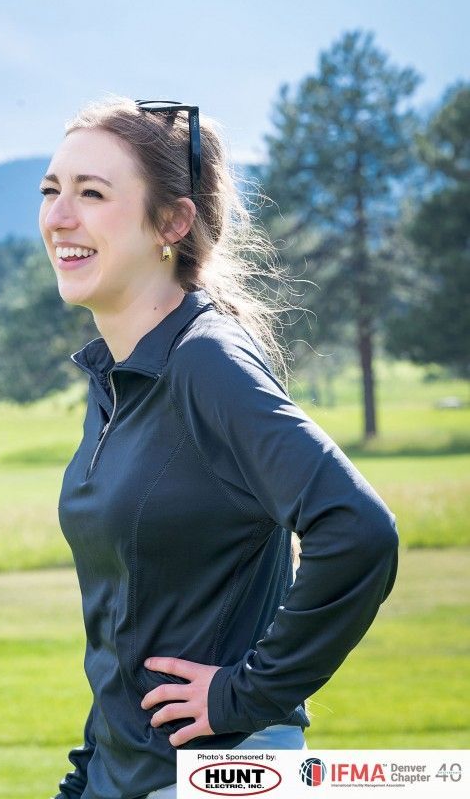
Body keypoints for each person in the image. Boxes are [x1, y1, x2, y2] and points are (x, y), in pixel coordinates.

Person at [40, 95, 399, 799]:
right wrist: (87, 776)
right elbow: (130, 625)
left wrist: (245, 695)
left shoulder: (207, 361)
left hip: (222, 776)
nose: (58, 217)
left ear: (171, 222)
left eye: (92, 193)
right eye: (51, 190)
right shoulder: (119, 377)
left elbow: (358, 530)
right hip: (128, 776)